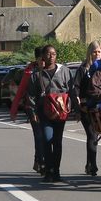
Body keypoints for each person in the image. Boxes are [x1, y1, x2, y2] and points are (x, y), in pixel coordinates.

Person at [28, 45, 74, 182]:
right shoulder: (36, 75)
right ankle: (49, 171)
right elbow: (31, 96)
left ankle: (57, 171)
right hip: (44, 113)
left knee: (57, 141)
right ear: (43, 56)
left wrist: (76, 109)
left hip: (60, 112)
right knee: (47, 140)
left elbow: (71, 91)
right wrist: (33, 112)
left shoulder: (64, 71)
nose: (51, 56)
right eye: (48, 54)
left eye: (53, 53)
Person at [73, 40, 101, 177]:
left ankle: (89, 163)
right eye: (94, 51)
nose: (97, 54)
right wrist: (77, 106)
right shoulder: (83, 69)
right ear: (90, 53)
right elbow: (75, 88)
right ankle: (92, 165)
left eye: (99, 51)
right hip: (87, 107)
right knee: (92, 135)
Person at [10, 47, 44, 174]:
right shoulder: (29, 72)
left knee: (44, 136)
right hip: (32, 107)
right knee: (39, 135)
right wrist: (14, 110)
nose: (44, 62)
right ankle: (41, 162)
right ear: (37, 59)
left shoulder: (51, 70)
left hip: (47, 107)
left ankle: (38, 160)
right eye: (41, 59)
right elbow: (20, 91)